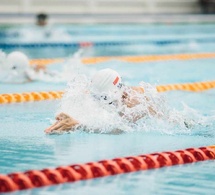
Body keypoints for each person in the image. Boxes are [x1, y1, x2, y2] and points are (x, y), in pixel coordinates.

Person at [45, 68, 159, 134]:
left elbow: (118, 129)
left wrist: (78, 125)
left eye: (107, 100)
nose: (103, 102)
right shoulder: (105, 93)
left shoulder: (135, 100)